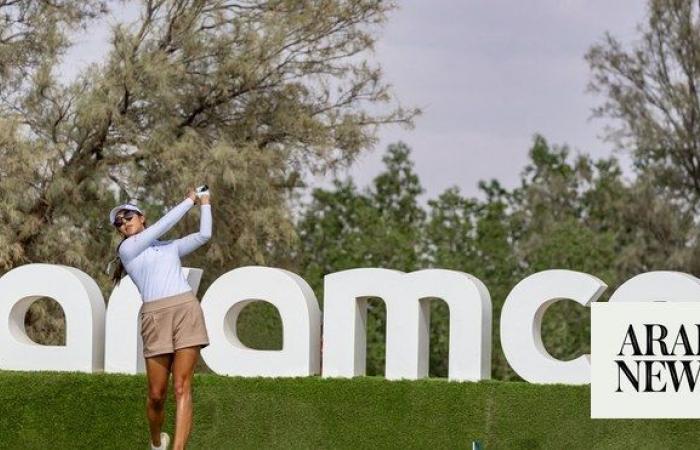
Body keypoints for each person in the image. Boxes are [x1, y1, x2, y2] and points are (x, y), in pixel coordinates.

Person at [109, 187, 212, 450]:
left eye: (128, 217)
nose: (123, 224)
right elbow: (163, 226)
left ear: (141, 217)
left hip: (186, 309)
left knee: (181, 387)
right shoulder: (127, 249)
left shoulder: (169, 248)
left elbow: (204, 235)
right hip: (155, 317)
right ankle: (156, 443)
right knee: (156, 395)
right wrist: (190, 200)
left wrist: (206, 203)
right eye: (119, 223)